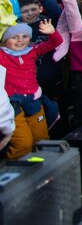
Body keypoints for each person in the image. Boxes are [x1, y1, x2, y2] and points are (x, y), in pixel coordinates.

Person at [1, 21, 63, 159]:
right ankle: (16, 172)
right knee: (23, 144)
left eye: (25, 36)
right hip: (11, 104)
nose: (20, 40)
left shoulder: (32, 50)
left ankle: (43, 168)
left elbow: (56, 42)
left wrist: (52, 32)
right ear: (4, 41)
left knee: (41, 139)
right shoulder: (2, 55)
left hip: (32, 98)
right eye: (14, 37)